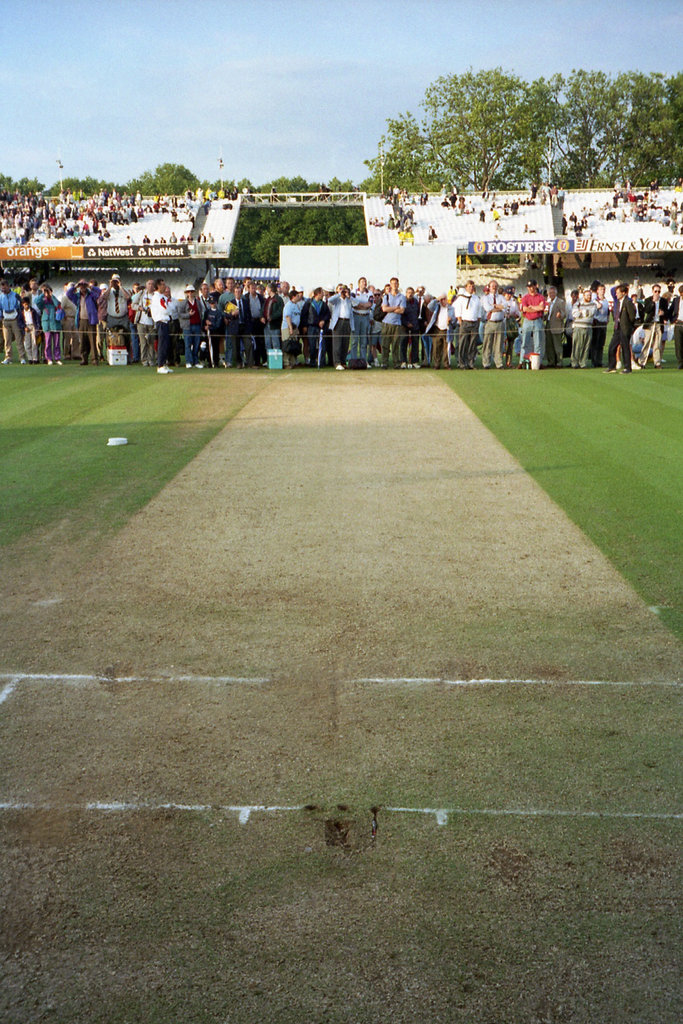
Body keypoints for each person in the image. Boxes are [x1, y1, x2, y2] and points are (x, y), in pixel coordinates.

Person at [606, 283, 636, 373]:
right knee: (612, 346)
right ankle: (612, 366)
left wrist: (628, 327)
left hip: (625, 328)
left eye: (618, 292)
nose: (616, 294)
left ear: (623, 293)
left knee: (625, 347)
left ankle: (627, 368)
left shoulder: (628, 302)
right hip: (617, 328)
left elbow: (632, 316)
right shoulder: (618, 302)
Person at [454, 280, 482, 369]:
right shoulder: (461, 298)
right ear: (466, 287)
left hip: (474, 323)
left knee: (472, 344)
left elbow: (479, 312)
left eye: (472, 286)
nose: (471, 288)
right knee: (463, 344)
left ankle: (470, 363)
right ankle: (462, 363)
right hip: (465, 322)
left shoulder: (476, 298)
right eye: (469, 286)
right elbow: (458, 312)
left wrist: (478, 322)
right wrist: (461, 322)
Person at [518, 279, 546, 367]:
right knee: (524, 342)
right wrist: (535, 308)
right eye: (529, 287)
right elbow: (525, 309)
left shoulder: (540, 297)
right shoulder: (525, 297)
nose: (530, 288)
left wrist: (532, 307)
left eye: (532, 286)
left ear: (535, 286)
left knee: (538, 343)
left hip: (537, 320)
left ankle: (538, 362)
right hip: (527, 320)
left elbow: (541, 308)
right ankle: (522, 361)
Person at [380, 277, 406, 368]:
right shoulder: (386, 296)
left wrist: (390, 309)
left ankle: (396, 363)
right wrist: (396, 308)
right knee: (385, 344)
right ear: (390, 285)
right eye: (393, 283)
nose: (394, 285)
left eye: (396, 283)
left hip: (397, 324)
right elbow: (384, 309)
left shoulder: (402, 297)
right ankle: (384, 362)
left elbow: (402, 310)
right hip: (387, 323)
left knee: (395, 345)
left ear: (398, 284)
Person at [640, 284, 669, 368]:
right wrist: (653, 302)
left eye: (658, 291)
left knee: (658, 344)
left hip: (659, 324)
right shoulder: (648, 300)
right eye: (655, 291)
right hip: (650, 324)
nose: (657, 293)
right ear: (652, 291)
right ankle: (642, 361)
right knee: (647, 343)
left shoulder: (663, 301)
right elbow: (647, 310)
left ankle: (657, 363)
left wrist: (663, 314)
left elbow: (666, 312)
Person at [424, 293, 455, 368]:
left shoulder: (451, 308)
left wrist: (451, 320)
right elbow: (429, 306)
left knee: (446, 349)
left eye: (444, 299)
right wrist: (437, 299)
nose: (443, 301)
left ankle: (446, 364)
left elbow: (454, 319)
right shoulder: (437, 306)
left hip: (447, 330)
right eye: (442, 299)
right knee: (436, 348)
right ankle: (436, 364)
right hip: (437, 329)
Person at [481, 279, 506, 369]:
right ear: (489, 287)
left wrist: (494, 306)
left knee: (499, 344)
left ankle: (499, 363)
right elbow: (488, 308)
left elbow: (505, 307)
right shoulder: (486, 298)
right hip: (490, 323)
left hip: (500, 322)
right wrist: (498, 307)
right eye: (492, 286)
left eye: (495, 286)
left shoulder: (501, 297)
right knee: (487, 343)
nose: (494, 288)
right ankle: (486, 363)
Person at [0, 279, 26, 364]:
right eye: (2, 288)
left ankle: (22, 357)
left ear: (8, 286)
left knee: (19, 339)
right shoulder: (1, 296)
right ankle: (8, 357)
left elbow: (20, 307)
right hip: (5, 319)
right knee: (7, 340)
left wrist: (20, 317)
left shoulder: (15, 295)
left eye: (4, 288)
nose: (3, 290)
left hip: (15, 319)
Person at [328, 284, 354, 369]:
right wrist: (339, 293)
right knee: (337, 344)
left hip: (347, 322)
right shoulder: (337, 300)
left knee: (345, 343)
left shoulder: (349, 300)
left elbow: (356, 303)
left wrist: (349, 296)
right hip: (338, 322)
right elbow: (329, 300)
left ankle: (343, 362)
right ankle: (337, 362)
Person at [35, 285, 63, 365]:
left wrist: (51, 295)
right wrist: (43, 294)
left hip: (55, 324)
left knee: (57, 343)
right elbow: (37, 302)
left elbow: (57, 304)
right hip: (47, 324)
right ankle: (49, 358)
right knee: (48, 343)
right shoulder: (43, 302)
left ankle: (57, 358)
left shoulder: (54, 299)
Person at [151, 279, 173, 374]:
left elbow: (170, 308)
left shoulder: (162, 297)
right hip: (161, 322)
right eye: (163, 285)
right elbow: (164, 309)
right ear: (158, 286)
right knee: (162, 344)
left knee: (166, 344)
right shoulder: (157, 297)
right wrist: (169, 312)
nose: (164, 286)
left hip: (165, 322)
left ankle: (164, 363)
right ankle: (160, 365)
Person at [570, 289, 597, 368]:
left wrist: (582, 312)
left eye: (590, 295)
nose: (589, 297)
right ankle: (574, 363)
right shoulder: (577, 304)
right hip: (578, 327)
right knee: (576, 345)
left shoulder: (593, 304)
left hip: (588, 327)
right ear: (584, 296)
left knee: (586, 346)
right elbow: (575, 314)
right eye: (587, 295)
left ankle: (583, 363)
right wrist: (583, 312)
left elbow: (591, 313)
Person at [178, 284, 203, 368]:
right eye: (189, 292)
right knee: (187, 344)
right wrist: (188, 315)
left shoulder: (198, 302)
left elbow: (201, 313)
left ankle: (196, 361)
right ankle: (188, 361)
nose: (190, 293)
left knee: (196, 344)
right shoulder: (183, 303)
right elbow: (180, 314)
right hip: (187, 326)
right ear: (186, 293)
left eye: (192, 291)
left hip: (197, 325)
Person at [544, 285, 566, 368]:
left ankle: (559, 362)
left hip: (557, 325)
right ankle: (551, 361)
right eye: (550, 293)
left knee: (557, 345)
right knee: (549, 345)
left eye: (553, 293)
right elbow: (549, 314)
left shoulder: (560, 302)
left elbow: (564, 313)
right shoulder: (549, 303)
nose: (551, 294)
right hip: (549, 325)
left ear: (556, 293)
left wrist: (560, 315)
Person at [281, 288, 302, 368]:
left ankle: (292, 362)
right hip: (287, 327)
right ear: (293, 296)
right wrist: (290, 328)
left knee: (293, 345)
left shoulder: (296, 305)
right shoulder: (288, 305)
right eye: (297, 296)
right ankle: (286, 363)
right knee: (287, 345)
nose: (298, 297)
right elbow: (287, 316)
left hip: (294, 328)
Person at [590, 284, 609, 368]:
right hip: (597, 322)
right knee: (595, 343)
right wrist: (597, 308)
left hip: (603, 323)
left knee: (601, 343)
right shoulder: (595, 301)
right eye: (601, 289)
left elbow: (608, 311)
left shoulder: (605, 300)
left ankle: (599, 360)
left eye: (603, 289)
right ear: (597, 291)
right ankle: (594, 361)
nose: (602, 291)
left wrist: (608, 318)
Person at [668, 283, 683, 369]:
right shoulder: (676, 300)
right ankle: (680, 362)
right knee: (678, 344)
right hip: (678, 323)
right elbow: (670, 312)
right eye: (681, 293)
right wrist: (673, 320)